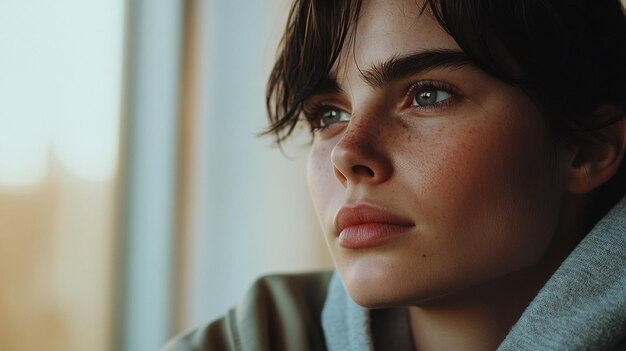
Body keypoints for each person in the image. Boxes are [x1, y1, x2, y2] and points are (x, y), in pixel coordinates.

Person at [163, 0, 626, 350]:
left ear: (587, 148)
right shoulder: (256, 336)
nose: (347, 153)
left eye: (427, 95)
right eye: (328, 114)